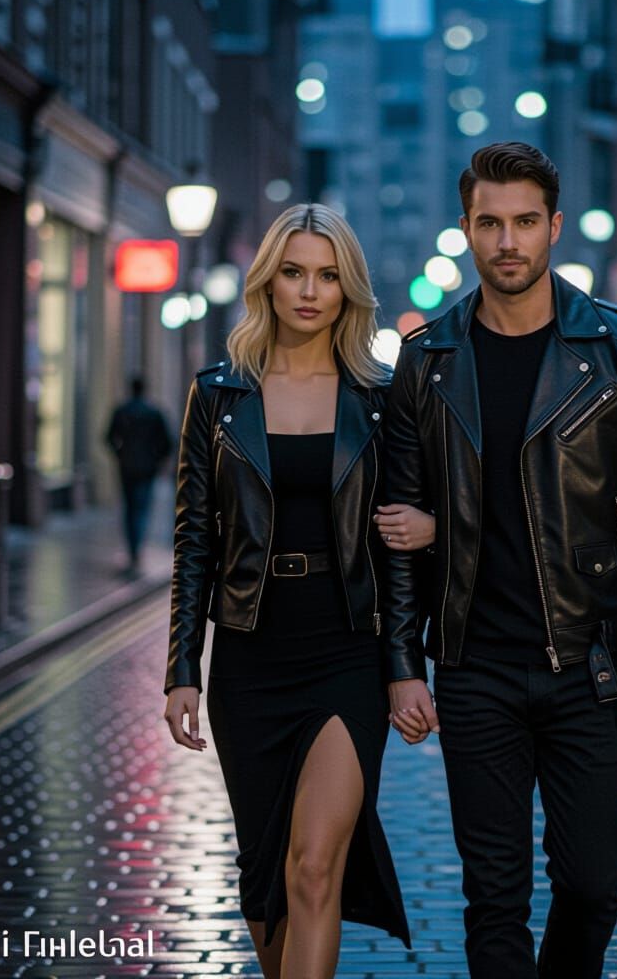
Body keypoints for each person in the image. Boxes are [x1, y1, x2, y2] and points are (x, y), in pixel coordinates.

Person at [384, 142, 617, 978]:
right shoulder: (429, 360)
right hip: (473, 665)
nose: (508, 242)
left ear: (554, 227)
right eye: (489, 223)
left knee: (595, 884)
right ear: (465, 230)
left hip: (589, 665)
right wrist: (401, 664)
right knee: (494, 898)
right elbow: (394, 526)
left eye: (526, 222)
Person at [163, 203, 435, 979]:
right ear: (268, 283)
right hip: (250, 656)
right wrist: (183, 666)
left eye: (327, 275)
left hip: (346, 650)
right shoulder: (218, 396)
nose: (310, 291)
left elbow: (403, 549)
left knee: (314, 867)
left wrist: (402, 664)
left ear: (348, 289)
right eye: (293, 272)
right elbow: (195, 542)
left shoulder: (382, 399)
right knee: (265, 881)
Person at [106, 376, 173, 572]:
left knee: (129, 508)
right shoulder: (153, 412)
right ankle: (137, 547)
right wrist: (157, 459)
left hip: (126, 466)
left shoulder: (122, 411)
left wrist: (120, 454)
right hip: (147, 468)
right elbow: (167, 442)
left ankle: (133, 548)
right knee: (141, 507)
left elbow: (109, 437)